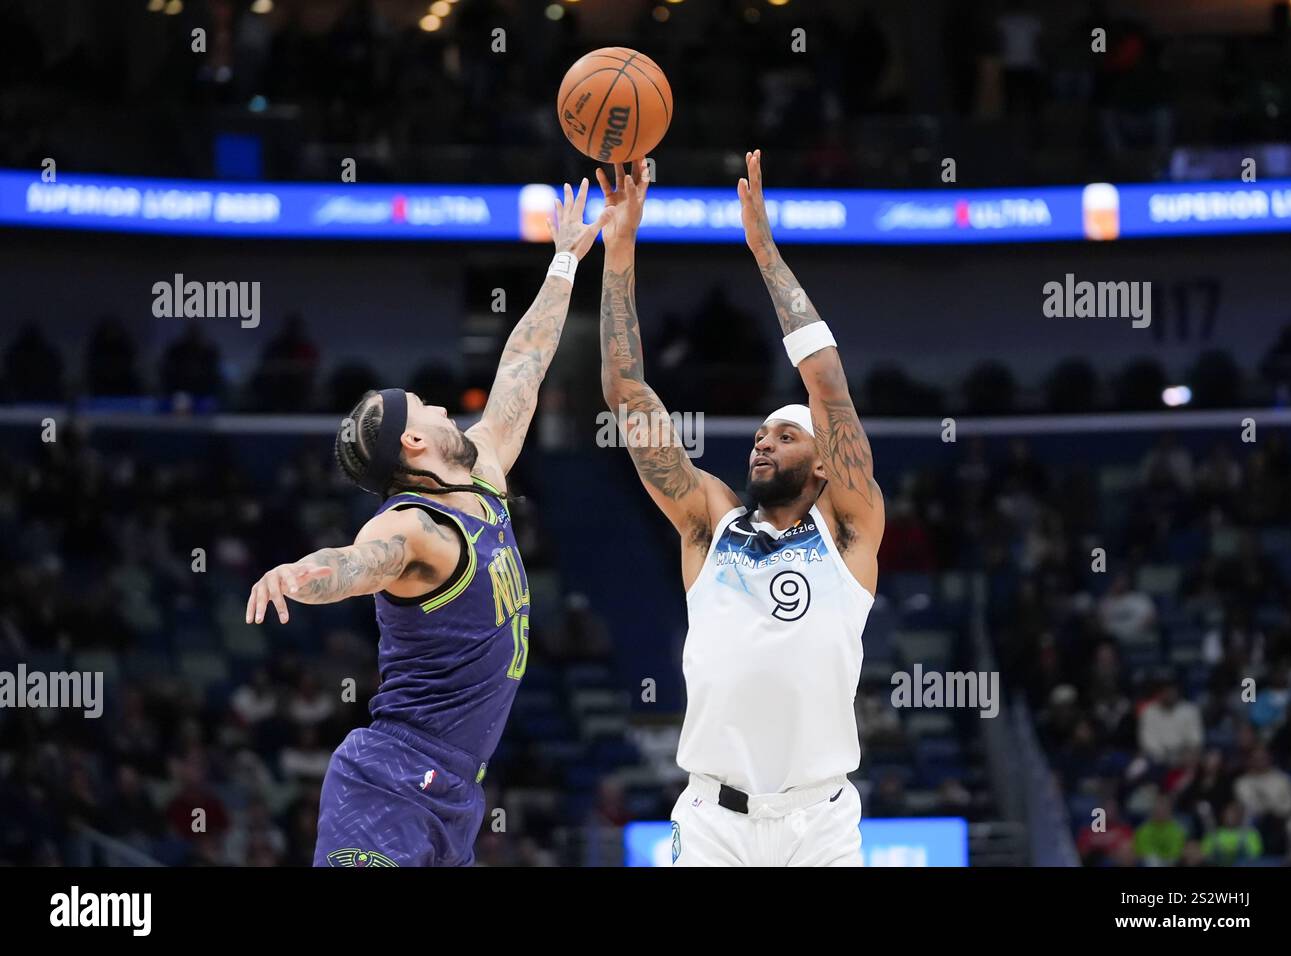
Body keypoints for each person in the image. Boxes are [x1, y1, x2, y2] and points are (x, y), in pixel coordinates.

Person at [245, 181, 610, 866]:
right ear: (413, 446)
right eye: (424, 406)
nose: (442, 407)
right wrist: (301, 575)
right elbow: (357, 563)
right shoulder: (417, 530)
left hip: (454, 795)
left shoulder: (484, 473)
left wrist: (564, 262)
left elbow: (522, 371)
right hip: (388, 783)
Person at [597, 152, 884, 866]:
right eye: (759, 435)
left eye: (785, 436)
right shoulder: (710, 522)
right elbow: (629, 395)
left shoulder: (848, 532)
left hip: (820, 824)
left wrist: (763, 248)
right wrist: (622, 245)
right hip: (713, 820)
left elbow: (827, 384)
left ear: (824, 463)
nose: (763, 444)